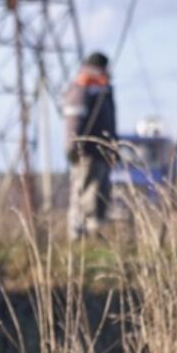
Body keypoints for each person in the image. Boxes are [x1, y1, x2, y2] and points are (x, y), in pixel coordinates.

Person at [63, 51, 117, 238]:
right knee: (83, 192)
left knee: (99, 194)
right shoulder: (82, 88)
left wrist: (113, 147)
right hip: (85, 153)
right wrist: (73, 147)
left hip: (102, 152)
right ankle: (78, 234)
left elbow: (109, 123)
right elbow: (74, 119)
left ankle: (95, 231)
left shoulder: (103, 89)